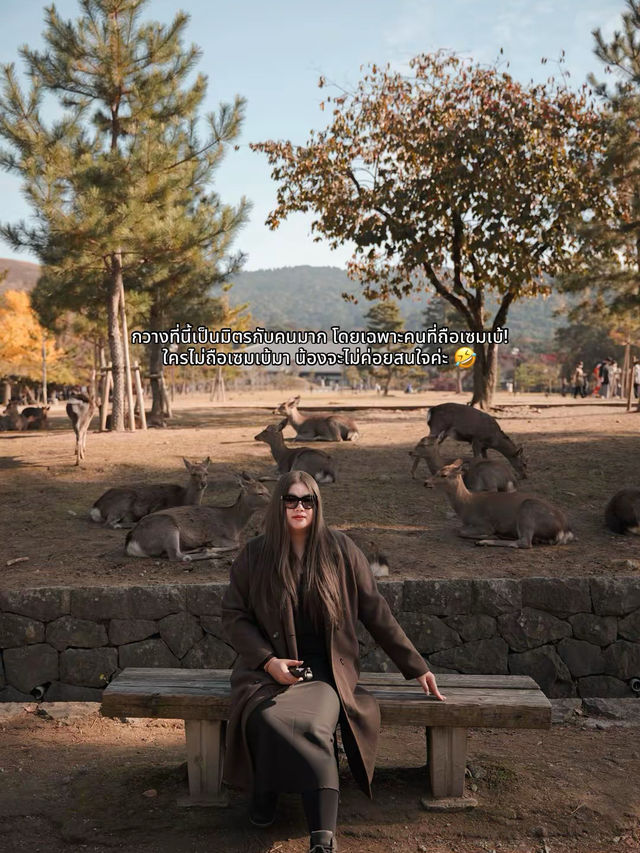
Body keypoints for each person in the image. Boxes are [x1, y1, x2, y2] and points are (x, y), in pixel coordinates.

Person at [221, 471, 444, 853]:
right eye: (290, 500)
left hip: (326, 670)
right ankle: (265, 790)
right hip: (268, 670)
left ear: (317, 505)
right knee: (264, 717)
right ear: (278, 504)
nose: (299, 507)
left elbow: (376, 611)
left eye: (307, 500)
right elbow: (234, 616)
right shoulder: (255, 554)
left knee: (311, 726)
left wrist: (416, 665)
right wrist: (268, 661)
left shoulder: (341, 550)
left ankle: (322, 837)